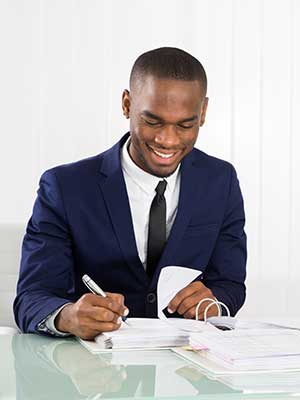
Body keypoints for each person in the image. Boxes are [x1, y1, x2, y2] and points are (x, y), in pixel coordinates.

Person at [14, 47, 247, 339]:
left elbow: (230, 284)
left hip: (185, 371)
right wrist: (68, 317)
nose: (167, 140)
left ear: (203, 113)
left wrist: (213, 302)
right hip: (93, 373)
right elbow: (32, 298)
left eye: (185, 125)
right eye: (153, 121)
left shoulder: (220, 181)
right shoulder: (64, 187)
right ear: (127, 104)